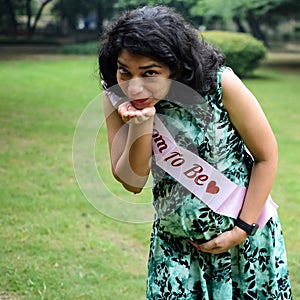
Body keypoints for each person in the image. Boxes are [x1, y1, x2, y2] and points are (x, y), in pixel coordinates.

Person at [98, 5, 292, 299]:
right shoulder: (116, 95)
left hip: (245, 246)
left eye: (150, 73)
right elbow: (131, 181)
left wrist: (242, 228)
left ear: (175, 67)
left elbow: (266, 156)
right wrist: (142, 124)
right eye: (125, 70)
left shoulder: (219, 84)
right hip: (176, 250)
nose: (135, 86)